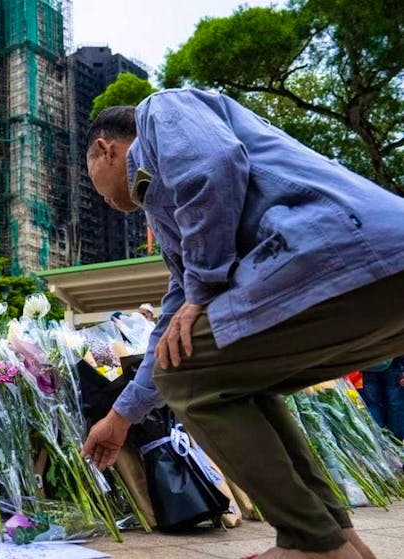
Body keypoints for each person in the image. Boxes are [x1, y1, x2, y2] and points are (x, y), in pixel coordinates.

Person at [80, 89, 404, 559]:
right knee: (227, 375)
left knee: (187, 376)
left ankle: (311, 543)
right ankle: (338, 539)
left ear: (106, 149)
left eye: (92, 179)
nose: (102, 200)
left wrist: (204, 286)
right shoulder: (163, 210)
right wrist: (120, 417)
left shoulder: (159, 111)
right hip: (366, 275)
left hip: (343, 252)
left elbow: (213, 166)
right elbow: (175, 326)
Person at [359, 357, 404, 440]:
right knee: (395, 406)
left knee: (371, 404)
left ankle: (380, 442)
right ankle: (393, 442)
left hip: (368, 365)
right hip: (393, 363)